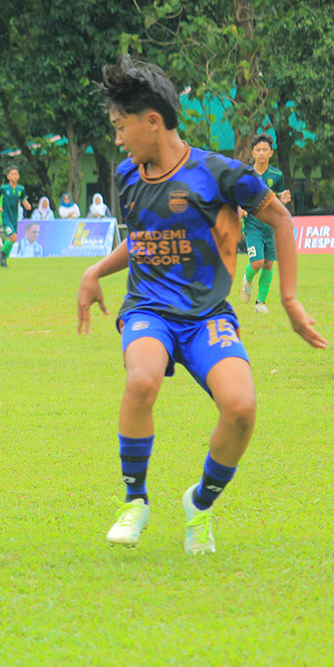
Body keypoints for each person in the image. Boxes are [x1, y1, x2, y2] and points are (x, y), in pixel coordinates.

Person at [77, 56, 326, 556]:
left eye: (121, 127)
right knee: (142, 378)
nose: (118, 140)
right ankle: (135, 500)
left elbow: (279, 220)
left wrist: (290, 298)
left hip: (208, 315)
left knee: (241, 410)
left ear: (152, 121)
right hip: (148, 307)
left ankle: (201, 502)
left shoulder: (218, 172)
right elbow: (142, 241)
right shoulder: (128, 177)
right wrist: (95, 271)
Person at [239, 133, 293, 314]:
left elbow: (279, 199)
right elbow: (238, 197)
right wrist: (239, 208)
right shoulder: (246, 174)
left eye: (265, 150)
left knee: (269, 264)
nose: (261, 153)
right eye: (258, 150)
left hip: (270, 225)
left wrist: (283, 200)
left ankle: (260, 302)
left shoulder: (277, 175)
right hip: (253, 224)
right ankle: (247, 278)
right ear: (253, 153)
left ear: (271, 153)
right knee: (257, 263)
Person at [0, 166, 31, 268]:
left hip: (14, 217)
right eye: (12, 174)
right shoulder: (4, 188)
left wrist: (27, 205)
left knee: (12, 239)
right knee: (13, 237)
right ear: (8, 176)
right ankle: (2, 254)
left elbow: (24, 200)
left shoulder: (21, 189)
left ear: (18, 176)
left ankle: (3, 258)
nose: (14, 176)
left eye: (16, 174)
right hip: (5, 217)